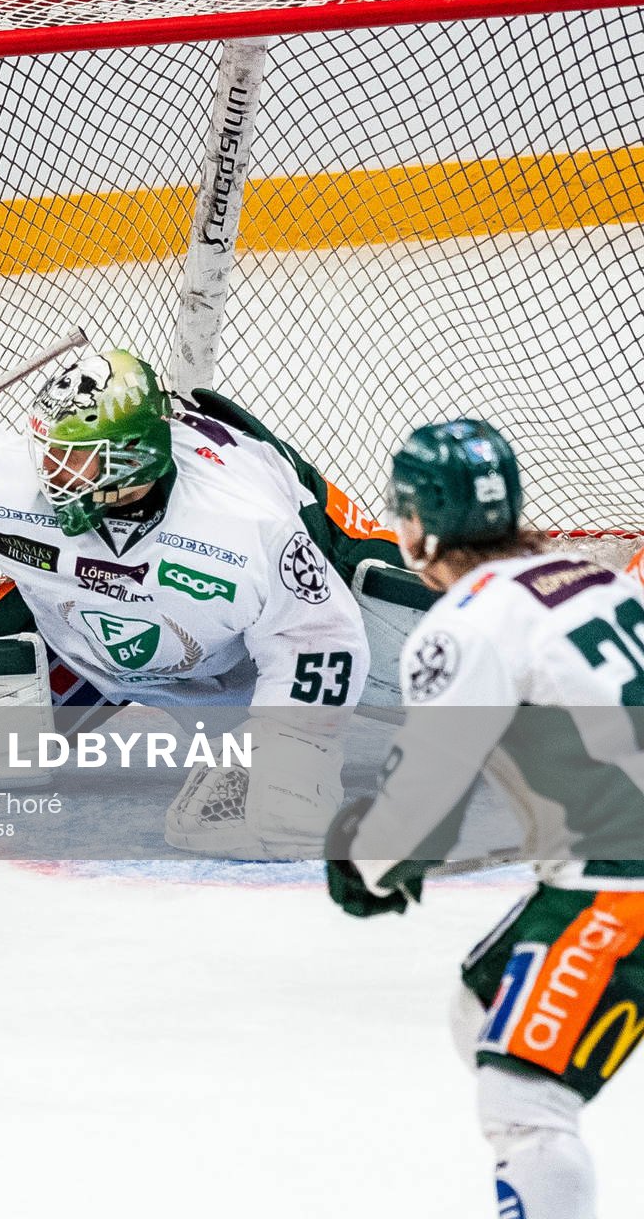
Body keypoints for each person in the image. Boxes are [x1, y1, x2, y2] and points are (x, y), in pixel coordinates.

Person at [0, 347, 398, 855]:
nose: (55, 474)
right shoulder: (1, 479)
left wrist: (297, 745)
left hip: (260, 627)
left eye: (80, 458)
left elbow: (319, 639)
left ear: (137, 456)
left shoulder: (245, 525)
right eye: (51, 451)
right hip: (78, 636)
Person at [326, 418, 644, 1218]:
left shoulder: (464, 626)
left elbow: (422, 809)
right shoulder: (592, 576)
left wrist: (363, 862)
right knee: (482, 1005)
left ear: (422, 521)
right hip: (611, 862)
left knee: (524, 1104)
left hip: (623, 880)